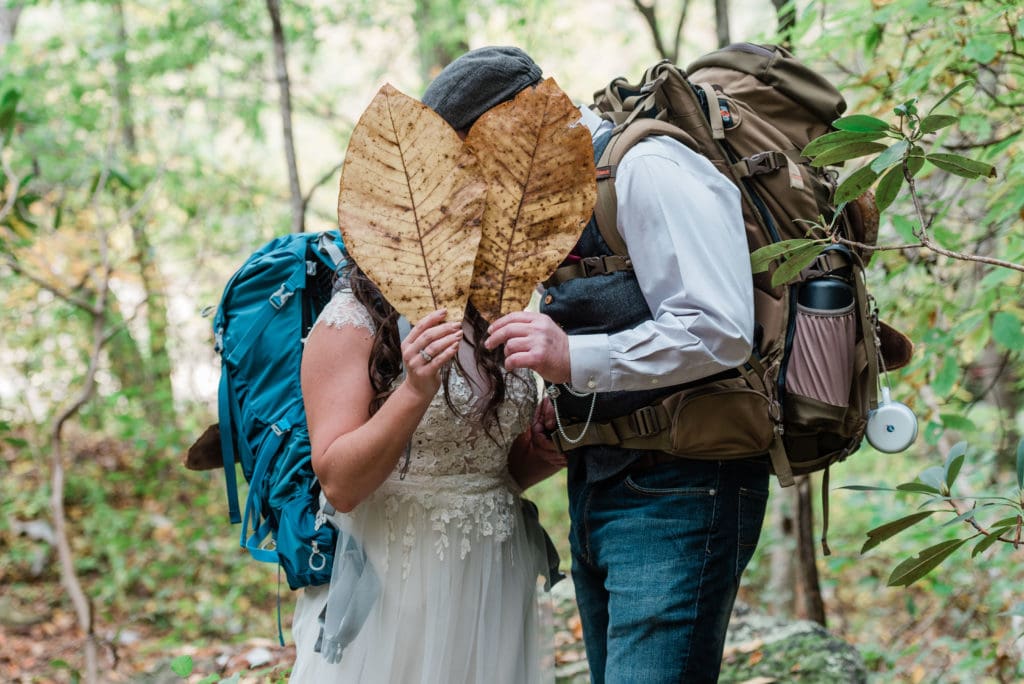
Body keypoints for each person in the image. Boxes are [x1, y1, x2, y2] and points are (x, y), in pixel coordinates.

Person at [423, 46, 770, 682]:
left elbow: (721, 328)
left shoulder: (649, 166)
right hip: (601, 480)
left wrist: (571, 355)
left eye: (476, 160)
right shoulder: (556, 201)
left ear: (518, 128)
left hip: (684, 485)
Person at [288, 256, 563, 683]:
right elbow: (340, 484)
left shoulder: (495, 312)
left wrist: (539, 454)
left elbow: (483, 470)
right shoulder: (349, 320)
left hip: (494, 573)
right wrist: (415, 391)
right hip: (397, 579)